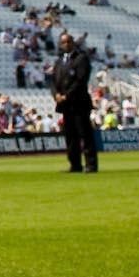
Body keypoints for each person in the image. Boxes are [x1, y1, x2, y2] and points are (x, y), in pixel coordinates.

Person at [51, 31, 96, 173]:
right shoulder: (59, 61)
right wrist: (56, 94)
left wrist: (67, 95)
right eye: (63, 42)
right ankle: (75, 164)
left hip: (79, 102)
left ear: (73, 43)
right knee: (70, 136)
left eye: (68, 42)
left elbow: (80, 80)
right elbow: (53, 80)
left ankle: (91, 164)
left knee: (85, 134)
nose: (66, 44)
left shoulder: (81, 59)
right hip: (66, 105)